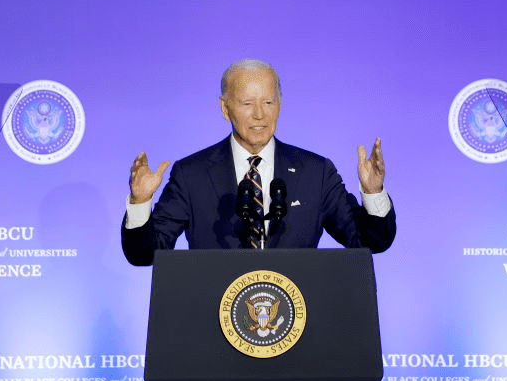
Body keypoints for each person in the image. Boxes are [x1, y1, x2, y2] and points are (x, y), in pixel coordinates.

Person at [121, 59, 395, 265]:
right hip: (216, 316)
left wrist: (373, 193)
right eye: (247, 103)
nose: (260, 115)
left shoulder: (316, 172)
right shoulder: (191, 174)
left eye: (268, 102)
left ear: (280, 105)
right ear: (225, 108)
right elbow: (145, 255)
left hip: (296, 316)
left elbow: (370, 242)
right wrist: (140, 202)